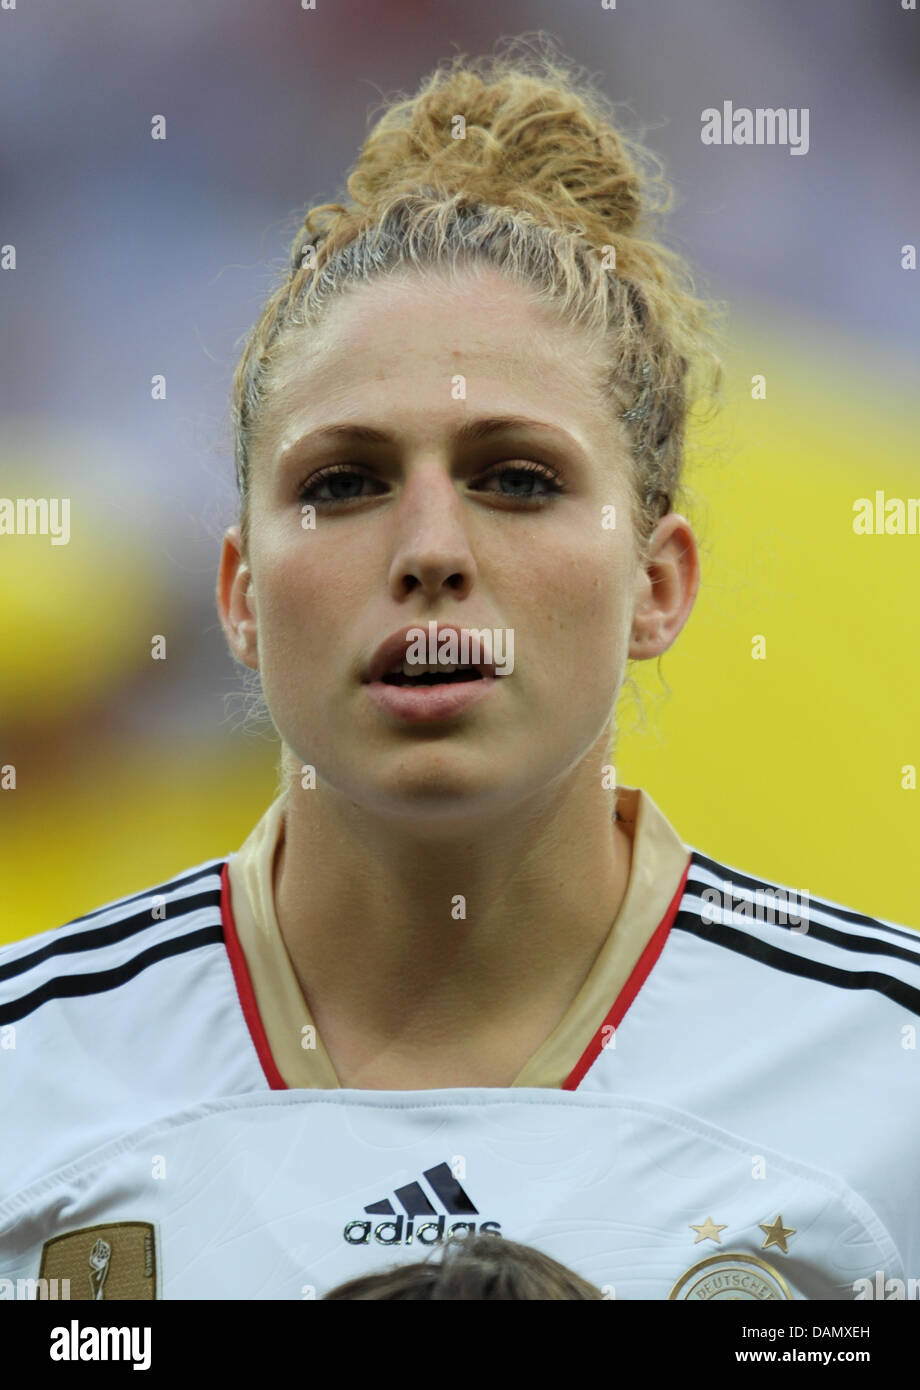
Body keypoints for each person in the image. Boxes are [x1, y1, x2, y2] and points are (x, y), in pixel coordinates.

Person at [0, 39, 917, 1304]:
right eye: (345, 483)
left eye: (516, 478)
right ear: (239, 594)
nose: (430, 549)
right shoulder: (27, 1079)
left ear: (657, 584)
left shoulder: (889, 1082)